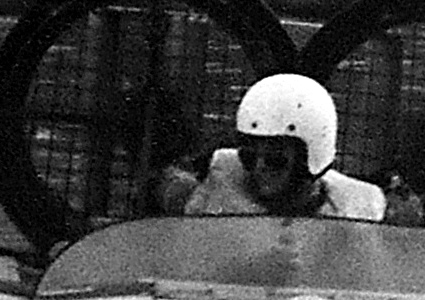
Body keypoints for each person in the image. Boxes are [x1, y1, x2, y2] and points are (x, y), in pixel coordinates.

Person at [163, 74, 386, 220]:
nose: (259, 168)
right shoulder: (212, 183)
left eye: (275, 160)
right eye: (249, 157)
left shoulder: (360, 209)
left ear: (308, 160)